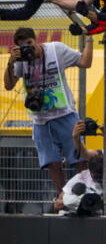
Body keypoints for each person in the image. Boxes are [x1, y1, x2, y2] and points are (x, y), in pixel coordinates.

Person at [4, 26, 93, 196]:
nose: (28, 49)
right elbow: (8, 85)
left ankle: (82, 195)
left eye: (30, 43)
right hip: (40, 120)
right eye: (23, 46)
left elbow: (85, 62)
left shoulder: (55, 49)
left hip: (65, 115)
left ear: (35, 39)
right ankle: (62, 199)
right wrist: (11, 62)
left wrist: (89, 39)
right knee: (52, 163)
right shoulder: (20, 60)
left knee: (79, 158)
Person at [53, 151, 106, 216]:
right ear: (90, 172)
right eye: (97, 177)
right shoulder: (80, 177)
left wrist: (97, 204)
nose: (100, 180)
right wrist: (79, 202)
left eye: (104, 176)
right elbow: (57, 205)